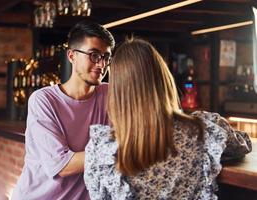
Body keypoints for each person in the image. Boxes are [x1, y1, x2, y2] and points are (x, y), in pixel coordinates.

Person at [84, 37, 252, 200]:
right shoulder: (203, 129)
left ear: (117, 92)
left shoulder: (101, 150)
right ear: (164, 79)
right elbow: (242, 145)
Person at [11, 20, 115, 200]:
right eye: (94, 55)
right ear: (72, 56)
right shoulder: (43, 100)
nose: (101, 64)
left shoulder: (109, 94)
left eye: (106, 57)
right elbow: (61, 165)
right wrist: (125, 149)